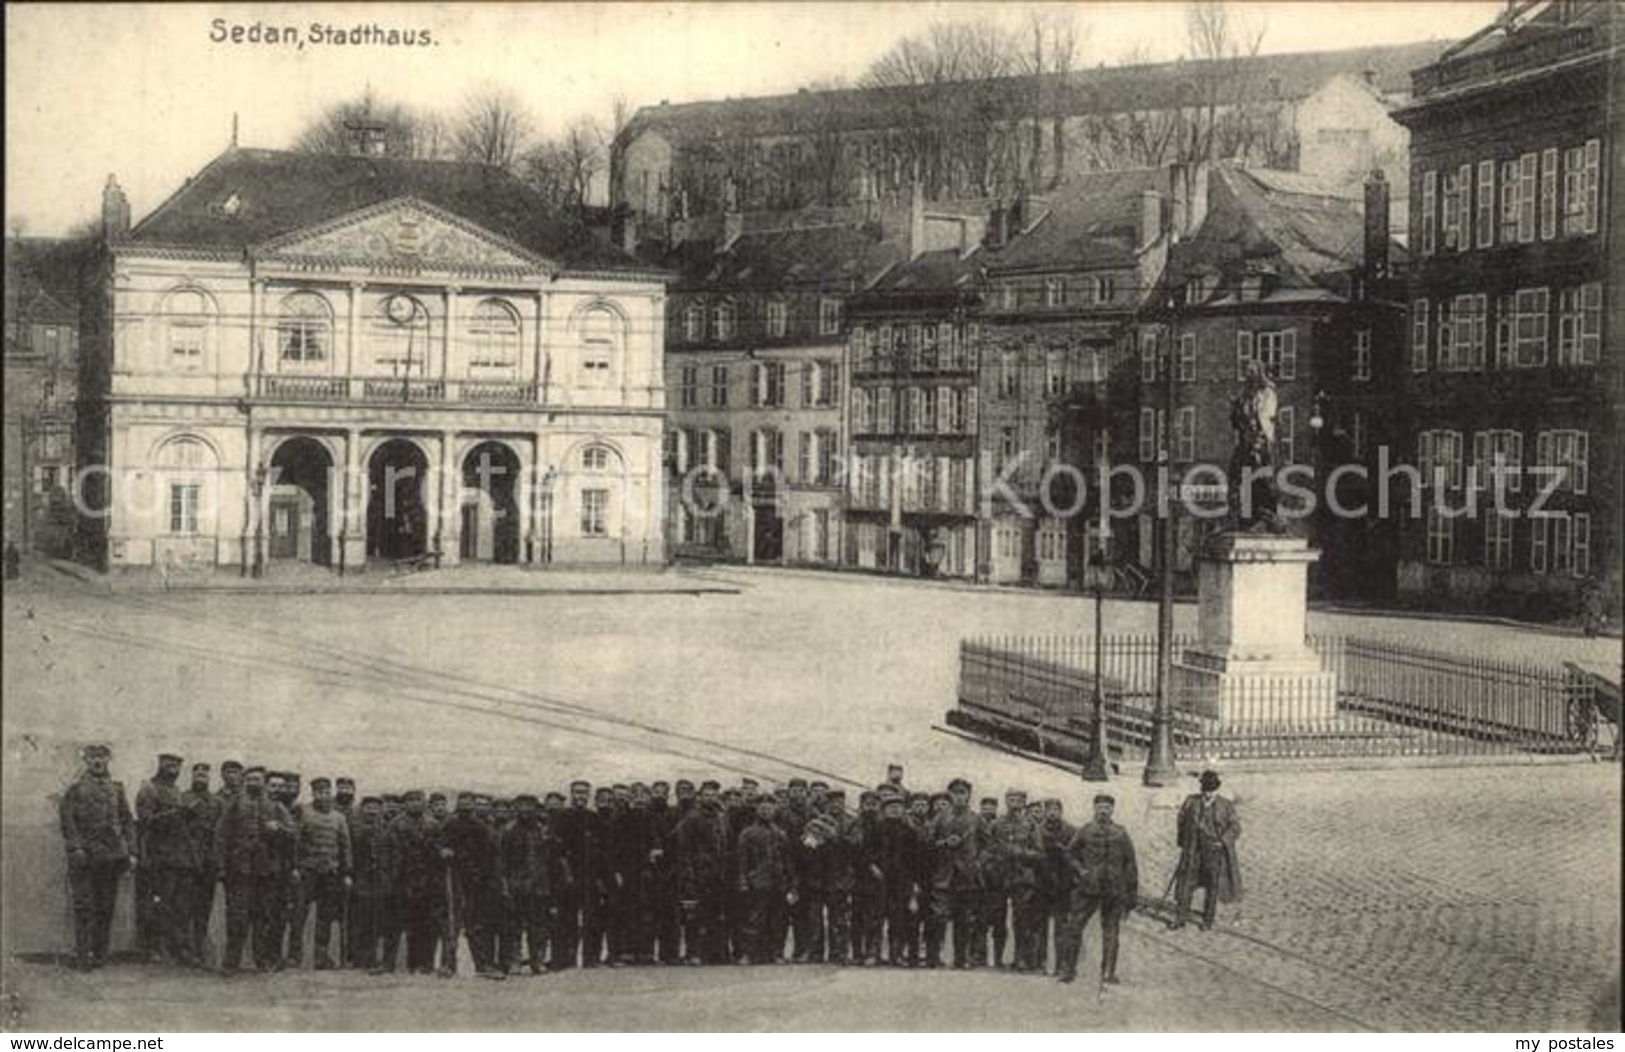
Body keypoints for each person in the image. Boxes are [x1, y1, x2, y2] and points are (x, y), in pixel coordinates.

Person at [60, 743, 136, 970]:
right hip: (84, 857)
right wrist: (76, 848)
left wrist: (131, 851)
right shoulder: (75, 789)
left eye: (102, 757)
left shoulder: (117, 789)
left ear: (108, 760)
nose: (97, 761)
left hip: (111, 858)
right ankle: (84, 956)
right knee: (84, 906)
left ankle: (99, 955)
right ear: (85, 760)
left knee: (105, 907)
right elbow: (68, 821)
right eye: (93, 757)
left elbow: (127, 821)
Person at [214, 766, 294, 974]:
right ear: (244, 781)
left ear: (263, 782)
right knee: (237, 918)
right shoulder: (234, 805)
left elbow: (293, 835)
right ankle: (230, 963)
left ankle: (261, 961)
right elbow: (221, 837)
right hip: (239, 872)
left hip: (266, 873)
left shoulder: (277, 807)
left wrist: (280, 829)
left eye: (257, 779)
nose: (253, 783)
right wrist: (222, 867)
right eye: (249, 779)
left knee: (263, 918)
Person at [1055, 794, 1138, 986]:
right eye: (1100, 807)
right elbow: (1069, 854)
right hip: (1088, 888)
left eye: (1107, 808)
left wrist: (1130, 895)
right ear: (1094, 808)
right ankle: (1068, 970)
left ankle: (1108, 972)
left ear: (1112, 810)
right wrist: (1081, 870)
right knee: (1074, 927)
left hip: (1113, 891)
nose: (1103, 811)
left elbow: (1130, 864)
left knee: (1111, 932)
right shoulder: (1085, 831)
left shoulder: (1121, 833)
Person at [135, 752, 197, 965]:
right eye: (169, 765)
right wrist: (176, 815)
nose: (174, 770)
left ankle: (179, 949)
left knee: (181, 907)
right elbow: (145, 821)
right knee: (157, 904)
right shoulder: (149, 789)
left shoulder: (177, 791)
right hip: (159, 858)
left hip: (179, 858)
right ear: (160, 765)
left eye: (177, 767)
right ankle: (153, 948)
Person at [500, 794, 573, 975]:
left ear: (535, 808)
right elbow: (501, 862)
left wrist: (561, 881)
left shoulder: (544, 831)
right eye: (522, 806)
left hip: (540, 886)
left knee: (539, 927)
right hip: (516, 885)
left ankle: (537, 961)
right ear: (516, 809)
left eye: (529, 806)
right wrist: (505, 886)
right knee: (514, 927)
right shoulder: (508, 832)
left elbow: (555, 859)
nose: (525, 810)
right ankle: (514, 961)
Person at [293, 777, 352, 969]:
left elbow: (345, 847)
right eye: (319, 792)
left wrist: (347, 872)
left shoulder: (339, 818)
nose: (323, 796)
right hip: (307, 872)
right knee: (299, 914)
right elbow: (296, 842)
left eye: (326, 792)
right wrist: (295, 867)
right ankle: (294, 956)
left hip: (330, 873)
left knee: (325, 917)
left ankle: (321, 957)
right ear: (313, 794)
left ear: (331, 793)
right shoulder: (304, 813)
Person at [1172, 770, 1242, 931]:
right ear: (1201, 789)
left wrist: (1222, 841)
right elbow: (1181, 820)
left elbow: (1235, 827)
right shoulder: (1191, 802)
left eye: (1212, 790)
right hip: (1193, 851)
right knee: (1185, 884)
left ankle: (1207, 920)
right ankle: (1180, 917)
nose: (1208, 793)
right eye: (1206, 790)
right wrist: (1184, 843)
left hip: (1214, 852)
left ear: (1217, 789)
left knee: (1212, 886)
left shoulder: (1226, 806)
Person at [926, 778, 983, 969]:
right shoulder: (940, 817)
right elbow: (927, 843)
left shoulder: (976, 819)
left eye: (963, 793)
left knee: (964, 918)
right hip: (944, 876)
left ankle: (961, 959)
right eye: (955, 792)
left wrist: (978, 862)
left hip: (966, 876)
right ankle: (933, 957)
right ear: (950, 795)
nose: (959, 796)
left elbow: (989, 845)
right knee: (938, 917)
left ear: (968, 796)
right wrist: (944, 843)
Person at [736, 795, 793, 964]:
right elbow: (741, 861)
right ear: (756, 810)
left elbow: (788, 861)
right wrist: (743, 881)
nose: (766, 812)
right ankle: (748, 954)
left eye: (769, 808)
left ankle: (776, 953)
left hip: (778, 883)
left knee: (778, 920)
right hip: (757, 883)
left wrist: (791, 883)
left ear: (775, 811)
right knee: (753, 919)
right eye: (762, 808)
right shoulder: (747, 833)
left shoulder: (781, 833)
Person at [180, 763, 221, 963]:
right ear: (192, 776)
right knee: (184, 907)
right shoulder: (182, 798)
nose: (201, 777)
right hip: (187, 862)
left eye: (205, 774)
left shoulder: (216, 802)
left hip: (208, 863)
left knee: (203, 909)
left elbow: (220, 833)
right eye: (197, 773)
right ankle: (184, 950)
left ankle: (198, 948)